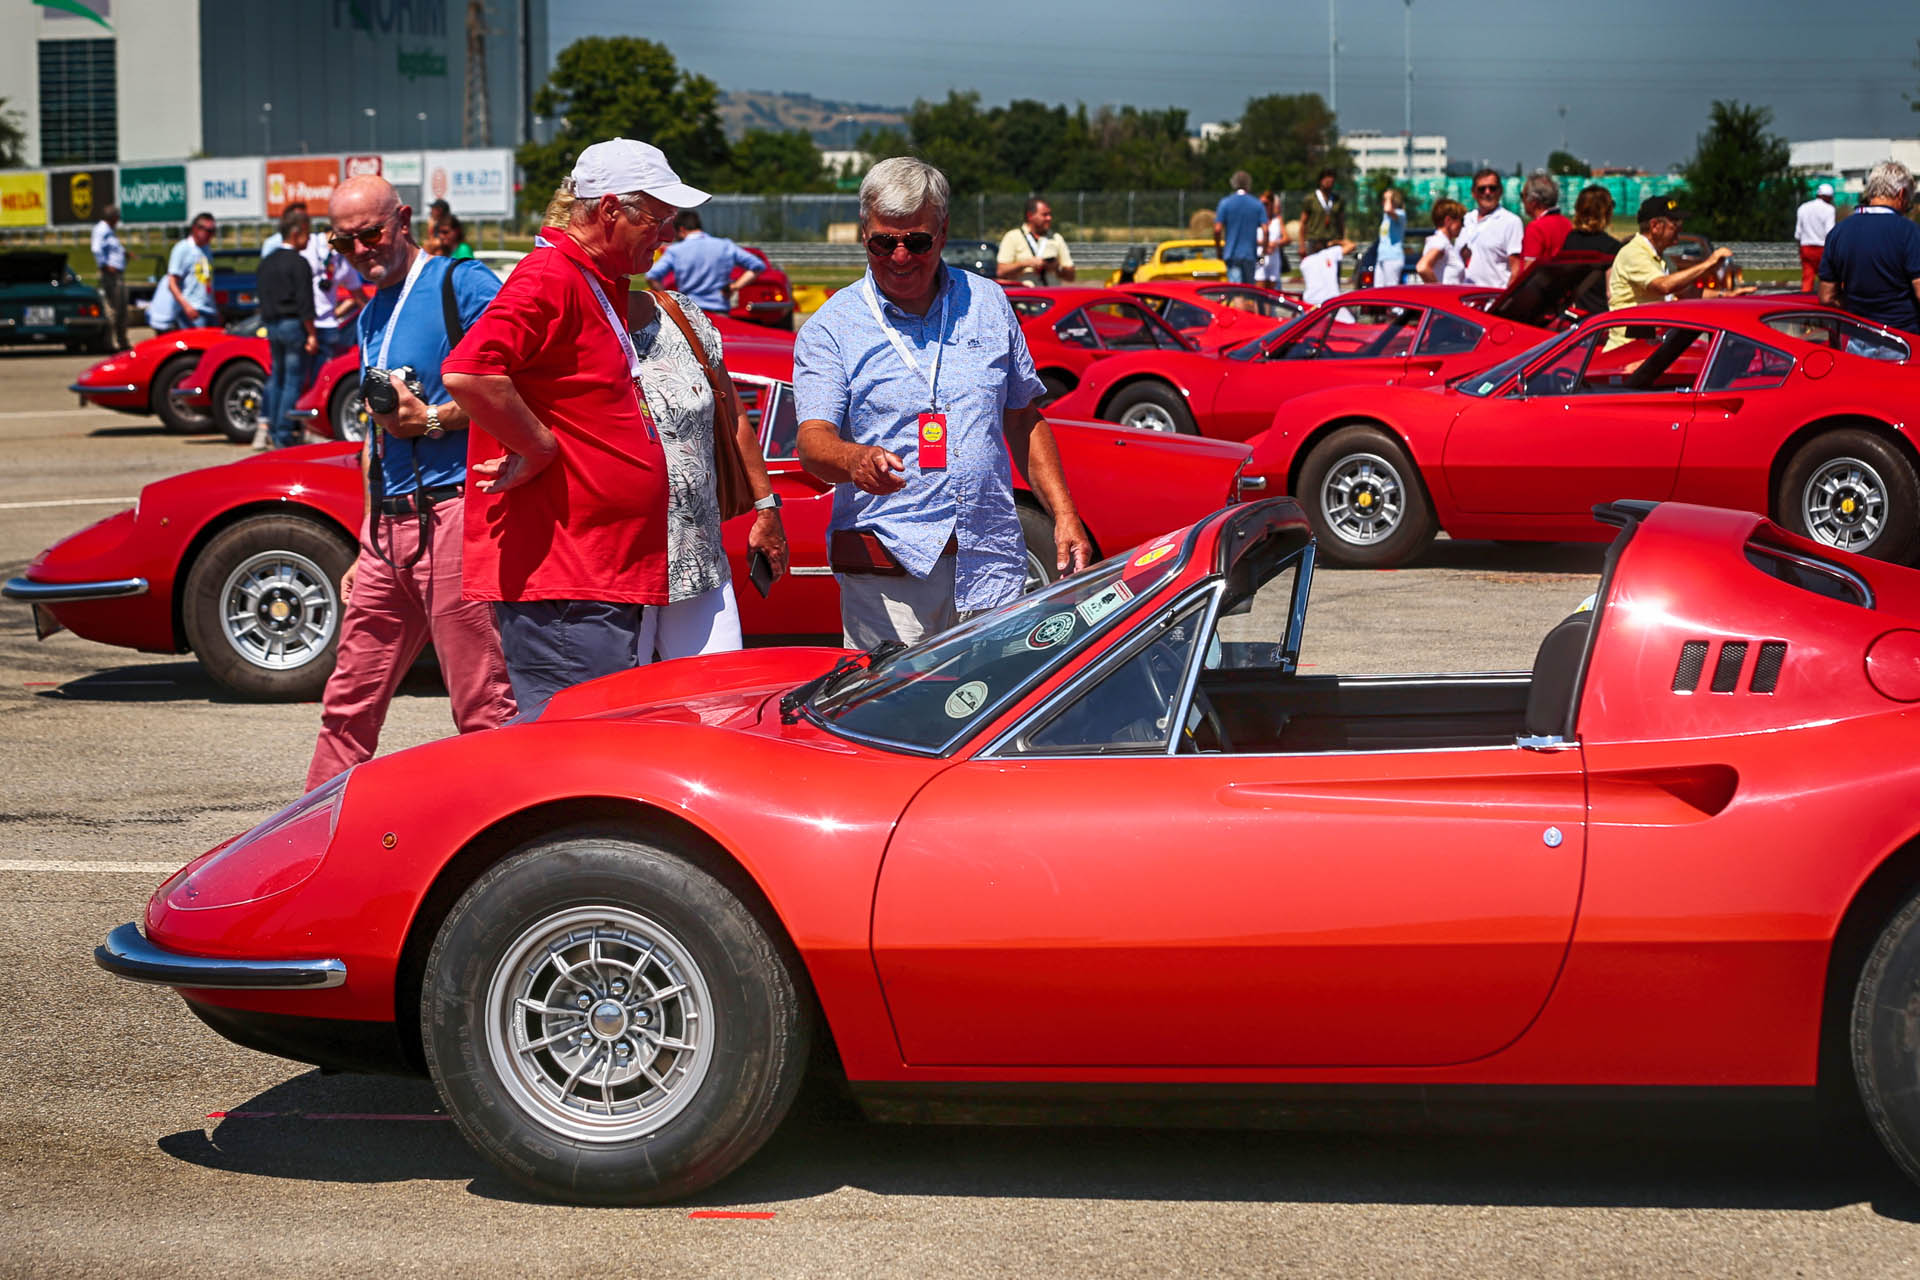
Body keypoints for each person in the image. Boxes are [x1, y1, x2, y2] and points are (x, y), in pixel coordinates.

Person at [793, 156, 1092, 648]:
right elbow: (812, 441)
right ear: (864, 234)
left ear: (944, 231)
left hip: (991, 564)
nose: (900, 257)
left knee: (996, 696)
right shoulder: (832, 326)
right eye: (883, 242)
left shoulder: (988, 303)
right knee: (895, 700)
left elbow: (1023, 418)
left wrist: (1064, 513)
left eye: (918, 241)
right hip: (889, 577)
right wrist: (854, 459)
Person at [442, 137, 690, 721]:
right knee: (574, 744)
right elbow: (469, 371)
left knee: (594, 741)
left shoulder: (590, 276)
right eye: (658, 220)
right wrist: (537, 448)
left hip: (591, 571)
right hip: (568, 576)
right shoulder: (551, 275)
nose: (666, 235)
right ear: (610, 210)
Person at [302, 174, 515, 790]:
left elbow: (519, 380)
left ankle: (507, 827)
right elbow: (376, 439)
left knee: (481, 701)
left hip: (455, 515)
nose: (359, 250)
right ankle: (310, 831)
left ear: (403, 219)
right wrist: (365, 536)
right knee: (347, 702)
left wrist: (436, 418)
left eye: (370, 234)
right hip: (388, 534)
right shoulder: (370, 314)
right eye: (343, 242)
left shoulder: (459, 283)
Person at [1817, 160, 1920, 336]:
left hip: (1856, 337)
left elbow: (1826, 297)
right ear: (1901, 194)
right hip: (1903, 337)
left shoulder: (1838, 232)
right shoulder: (1909, 232)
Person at [255, 207, 317, 451]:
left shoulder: (266, 262)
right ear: (296, 232)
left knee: (277, 378)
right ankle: (283, 433)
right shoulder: (299, 263)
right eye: (307, 233)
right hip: (292, 325)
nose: (309, 239)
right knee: (292, 380)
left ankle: (271, 428)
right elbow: (305, 303)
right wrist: (311, 334)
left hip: (271, 324)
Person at [1608, 195, 1732, 315]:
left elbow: (1688, 293)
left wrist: (1726, 295)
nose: (1680, 229)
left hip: (1651, 328)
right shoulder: (1634, 253)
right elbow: (1663, 286)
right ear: (1654, 226)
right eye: (1675, 223)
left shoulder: (1663, 258)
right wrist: (1708, 263)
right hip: (1631, 329)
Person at [644, 209, 765, 318]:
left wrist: (669, 300)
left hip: (689, 313)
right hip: (720, 312)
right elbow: (757, 266)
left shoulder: (675, 251)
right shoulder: (725, 246)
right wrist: (735, 286)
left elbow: (651, 276)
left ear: (681, 229)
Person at [144, 212, 217, 333]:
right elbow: (172, 283)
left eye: (213, 231)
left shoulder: (206, 249)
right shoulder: (183, 248)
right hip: (193, 309)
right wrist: (186, 306)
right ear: (195, 228)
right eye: (208, 230)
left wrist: (215, 308)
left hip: (209, 309)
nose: (210, 234)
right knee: (196, 343)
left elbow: (207, 282)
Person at [1560, 184, 1622, 314]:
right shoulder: (1611, 246)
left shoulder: (1569, 240)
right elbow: (1611, 293)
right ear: (1607, 212)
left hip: (1574, 314)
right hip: (1599, 317)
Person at [1460, 170, 1523, 288]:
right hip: (1465, 294)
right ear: (1473, 193)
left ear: (1500, 191)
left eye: (1492, 188)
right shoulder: (1466, 219)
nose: (1487, 192)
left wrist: (1506, 298)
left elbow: (1516, 268)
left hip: (1493, 295)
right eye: (1482, 189)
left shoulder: (1511, 222)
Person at [996, 197, 1076, 286]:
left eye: (1050, 214)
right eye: (1044, 215)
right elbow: (1001, 271)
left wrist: (1056, 268)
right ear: (1030, 216)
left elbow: (1071, 276)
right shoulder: (1013, 236)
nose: (1049, 218)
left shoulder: (1056, 238)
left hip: (1050, 294)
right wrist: (1025, 264)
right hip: (1025, 294)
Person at [1213, 171, 1265, 285]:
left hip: (1231, 254)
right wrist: (1264, 251)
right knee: (1249, 289)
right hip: (1250, 254)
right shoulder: (1257, 204)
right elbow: (1266, 230)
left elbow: (1217, 229)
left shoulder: (1225, 203)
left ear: (1233, 183)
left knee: (1236, 289)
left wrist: (1219, 250)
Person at [90, 203, 129, 350]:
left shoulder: (109, 230)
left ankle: (122, 340)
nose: (118, 220)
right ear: (113, 218)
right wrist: (105, 266)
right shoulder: (101, 230)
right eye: (117, 217)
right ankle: (110, 342)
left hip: (117, 275)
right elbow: (96, 249)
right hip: (110, 276)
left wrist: (124, 253)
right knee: (113, 309)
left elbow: (112, 248)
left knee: (121, 309)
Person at [1516, 171, 1571, 275]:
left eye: (1522, 196)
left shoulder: (1535, 228)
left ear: (1533, 201)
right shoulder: (1566, 223)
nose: (1522, 201)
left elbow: (1529, 270)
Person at [1795, 182, 1837, 295]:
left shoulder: (1803, 207)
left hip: (1806, 247)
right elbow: (1830, 232)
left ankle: (1804, 300)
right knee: (1826, 278)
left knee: (1807, 278)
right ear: (1828, 197)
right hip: (1822, 248)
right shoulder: (1829, 209)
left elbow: (1798, 233)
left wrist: (1800, 249)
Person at [1415, 199, 1467, 284]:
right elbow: (1422, 267)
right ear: (1448, 221)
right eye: (1461, 220)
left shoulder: (1439, 241)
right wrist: (1440, 290)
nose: (1462, 225)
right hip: (1447, 293)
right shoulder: (1440, 241)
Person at [1298, 168, 1345, 259]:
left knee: (1333, 267)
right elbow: (1303, 223)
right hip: (1315, 241)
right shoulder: (1311, 199)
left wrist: (1341, 241)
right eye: (1326, 177)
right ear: (1320, 180)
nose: (1329, 180)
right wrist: (1302, 245)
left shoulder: (1338, 200)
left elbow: (1341, 223)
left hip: (1333, 242)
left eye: (1331, 177)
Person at [1300, 238, 1356, 307]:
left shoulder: (1304, 262)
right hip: (1331, 301)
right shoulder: (1331, 253)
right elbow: (1351, 245)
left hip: (1310, 301)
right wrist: (1336, 241)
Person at [1374, 188, 1407, 287]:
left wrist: (1389, 196)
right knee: (1377, 290)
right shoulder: (1386, 216)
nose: (1383, 201)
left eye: (1386, 199)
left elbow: (1388, 209)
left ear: (1394, 201)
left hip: (1393, 258)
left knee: (1390, 290)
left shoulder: (1400, 214)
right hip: (1382, 257)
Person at [1255, 191, 1287, 288]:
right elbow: (1249, 238)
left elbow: (1287, 238)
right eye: (1261, 204)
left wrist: (1275, 244)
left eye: (1266, 204)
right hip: (1260, 257)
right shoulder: (1255, 220)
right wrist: (1265, 244)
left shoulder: (1277, 220)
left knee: (1273, 292)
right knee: (1259, 289)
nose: (1263, 206)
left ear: (1271, 204)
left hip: (1273, 260)